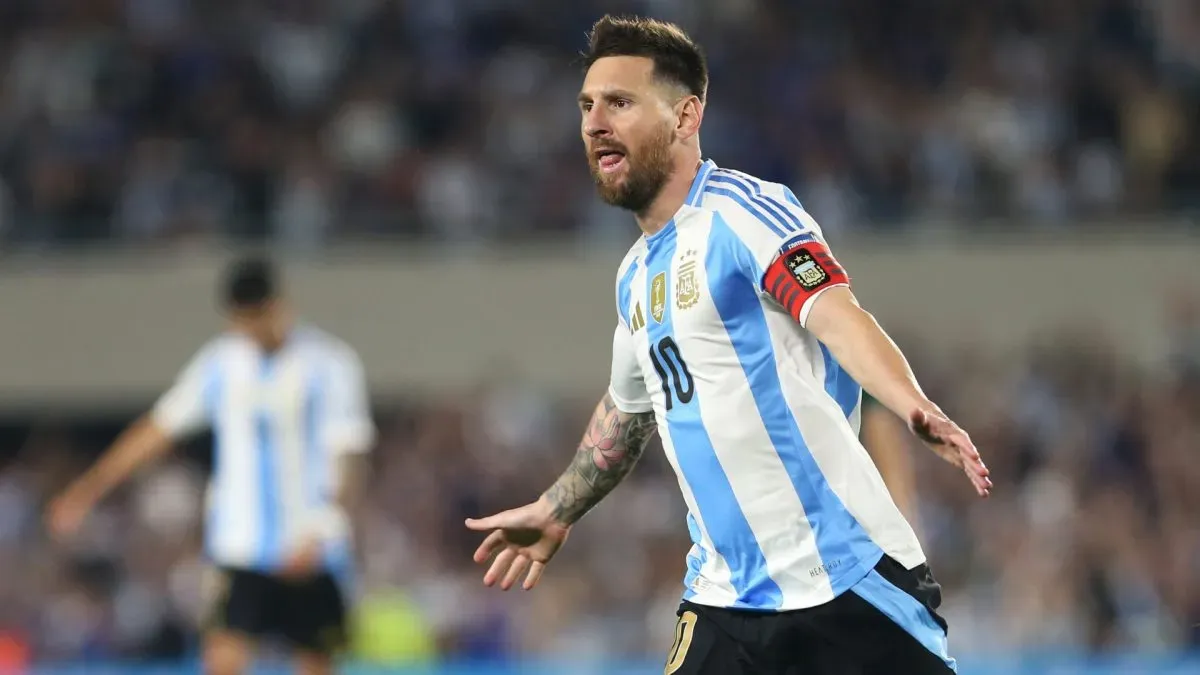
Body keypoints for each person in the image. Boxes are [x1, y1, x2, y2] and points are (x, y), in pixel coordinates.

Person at [464, 15, 991, 675]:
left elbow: (837, 315)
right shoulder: (634, 277)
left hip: (843, 579)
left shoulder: (745, 213)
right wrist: (557, 507)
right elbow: (631, 410)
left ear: (685, 117)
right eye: (587, 105)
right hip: (723, 598)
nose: (595, 121)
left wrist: (914, 405)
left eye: (620, 102)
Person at [47, 255, 375, 675]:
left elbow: (350, 456)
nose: (251, 331)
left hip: (309, 546)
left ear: (279, 306)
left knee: (315, 664)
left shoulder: (330, 365)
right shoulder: (221, 364)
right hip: (239, 546)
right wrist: (86, 490)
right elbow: (156, 430)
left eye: (258, 317)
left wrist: (325, 524)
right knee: (223, 660)